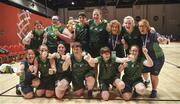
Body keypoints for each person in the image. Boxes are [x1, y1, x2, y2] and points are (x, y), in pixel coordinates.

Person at [138, 19, 166, 98]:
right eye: (140, 26)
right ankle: (147, 81)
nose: (141, 28)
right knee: (144, 71)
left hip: (157, 58)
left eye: (143, 26)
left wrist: (162, 40)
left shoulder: (153, 34)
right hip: (146, 57)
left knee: (154, 74)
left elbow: (161, 39)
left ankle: (154, 90)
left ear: (147, 27)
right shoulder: (139, 35)